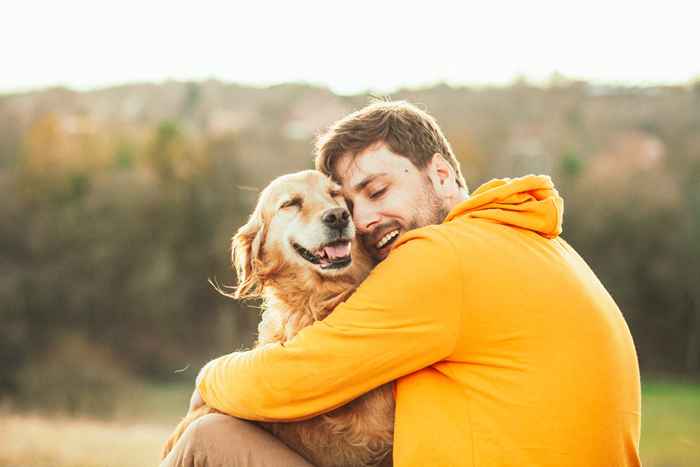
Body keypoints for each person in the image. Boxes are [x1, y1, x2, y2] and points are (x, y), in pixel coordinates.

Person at [162, 100, 641, 467]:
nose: (362, 219)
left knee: (207, 439)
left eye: (377, 191)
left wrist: (209, 378)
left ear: (441, 173)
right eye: (352, 203)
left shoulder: (441, 255)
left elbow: (295, 378)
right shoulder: (534, 242)